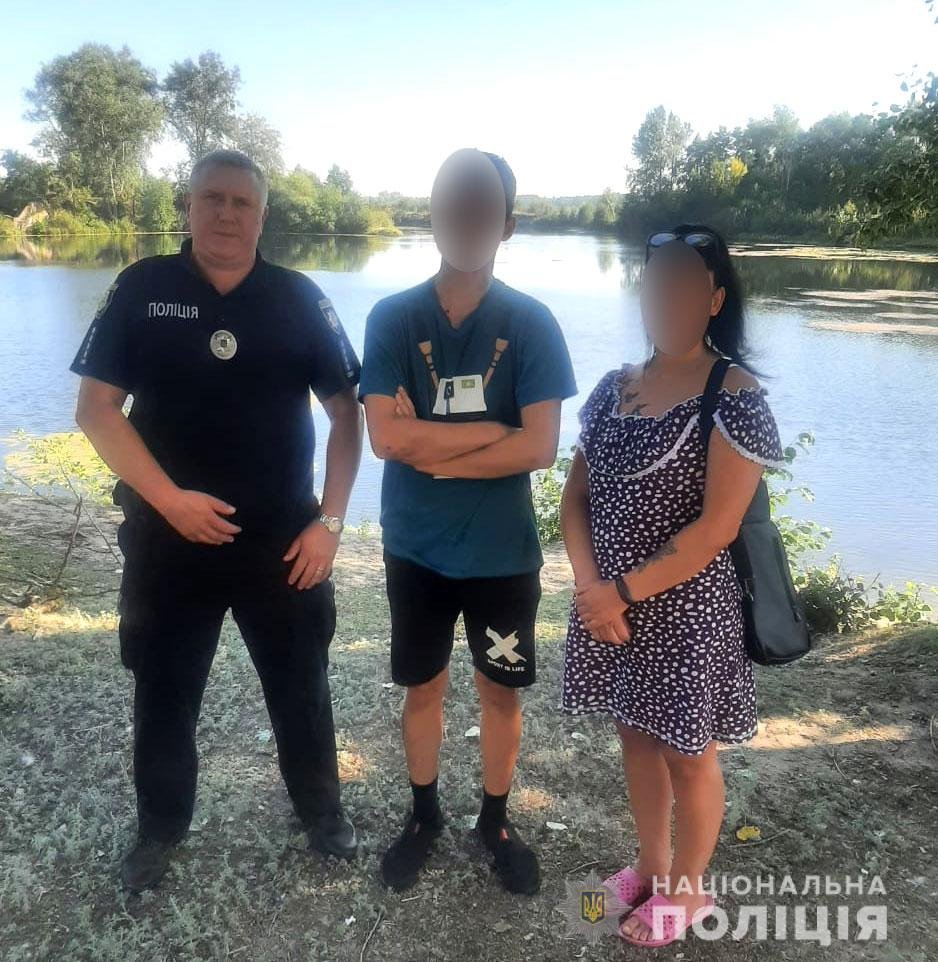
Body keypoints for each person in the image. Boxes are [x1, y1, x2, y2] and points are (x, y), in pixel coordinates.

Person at [69, 149, 364, 893]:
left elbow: (346, 414)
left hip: (282, 542)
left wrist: (330, 524)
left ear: (262, 216)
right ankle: (159, 828)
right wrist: (170, 500)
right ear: (188, 206)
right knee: (163, 695)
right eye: (213, 199)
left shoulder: (299, 298)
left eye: (242, 202)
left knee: (302, 688)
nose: (227, 214)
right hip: (168, 541)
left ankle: (321, 811)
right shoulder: (142, 288)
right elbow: (96, 410)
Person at [358, 148, 577, 895]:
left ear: (507, 224)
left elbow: (540, 448)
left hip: (501, 555)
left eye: (484, 207)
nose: (467, 217)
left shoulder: (531, 323)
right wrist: (492, 433)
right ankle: (424, 816)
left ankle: (496, 820)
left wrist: (430, 445)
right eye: (454, 202)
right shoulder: (392, 318)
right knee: (423, 688)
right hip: (415, 548)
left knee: (499, 692)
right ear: (432, 212)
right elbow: (384, 439)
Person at [559, 225, 786, 947]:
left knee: (688, 754)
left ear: (715, 298)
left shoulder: (735, 395)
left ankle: (688, 891)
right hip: (611, 607)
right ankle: (652, 867)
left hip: (686, 612)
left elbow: (716, 529)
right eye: (656, 280)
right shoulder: (613, 388)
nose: (666, 295)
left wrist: (619, 592)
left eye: (685, 283)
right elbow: (574, 500)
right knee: (633, 734)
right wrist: (593, 589)